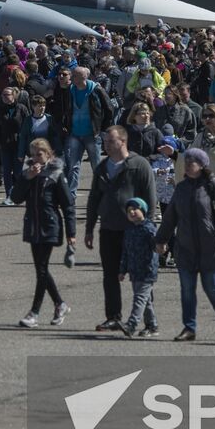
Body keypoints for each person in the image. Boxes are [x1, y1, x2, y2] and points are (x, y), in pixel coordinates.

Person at [156, 146, 215, 342]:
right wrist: (161, 240)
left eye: (193, 162)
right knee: (187, 291)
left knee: (212, 289)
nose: (189, 165)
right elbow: (170, 217)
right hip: (185, 248)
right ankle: (189, 328)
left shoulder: (213, 185)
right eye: (187, 161)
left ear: (202, 165)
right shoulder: (181, 187)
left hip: (210, 249)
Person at [84, 125, 156, 331]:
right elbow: (93, 199)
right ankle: (114, 316)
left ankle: (149, 321)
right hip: (108, 228)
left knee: (140, 277)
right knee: (110, 275)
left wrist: (147, 228)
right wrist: (89, 228)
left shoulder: (139, 165)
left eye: (110, 141)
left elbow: (151, 200)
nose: (106, 144)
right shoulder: (102, 167)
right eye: (105, 141)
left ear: (122, 142)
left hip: (134, 230)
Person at [11, 137, 75, 327]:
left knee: (41, 269)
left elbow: (68, 205)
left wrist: (72, 234)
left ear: (48, 154)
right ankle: (60, 304)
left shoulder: (56, 174)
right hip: (33, 226)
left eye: (39, 154)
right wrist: (26, 178)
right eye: (33, 155)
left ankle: (34, 313)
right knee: (42, 269)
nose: (36, 158)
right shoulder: (29, 174)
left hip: (50, 226)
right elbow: (15, 198)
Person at [60, 66, 110, 194]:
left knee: (97, 166)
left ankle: (103, 192)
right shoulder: (70, 90)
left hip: (92, 134)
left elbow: (109, 108)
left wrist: (102, 129)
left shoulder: (96, 90)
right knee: (73, 166)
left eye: (75, 75)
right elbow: (65, 108)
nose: (72, 78)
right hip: (74, 134)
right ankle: (71, 195)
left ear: (84, 77)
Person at [119, 197, 160, 337]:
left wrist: (161, 246)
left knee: (140, 298)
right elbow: (125, 251)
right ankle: (152, 325)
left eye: (135, 209)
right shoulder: (129, 230)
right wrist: (122, 270)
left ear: (143, 210)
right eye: (129, 211)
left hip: (147, 270)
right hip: (134, 270)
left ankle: (132, 324)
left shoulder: (149, 228)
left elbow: (157, 245)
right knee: (145, 299)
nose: (132, 212)